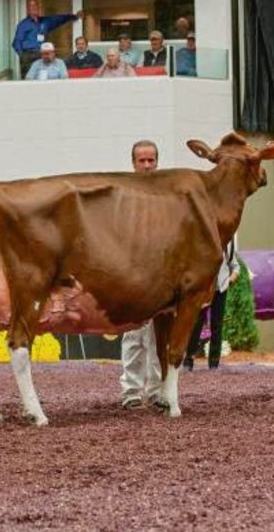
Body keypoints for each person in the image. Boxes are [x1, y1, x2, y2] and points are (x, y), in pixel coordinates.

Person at [120, 140, 162, 409]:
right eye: (142, 160)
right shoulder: (124, 195)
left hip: (160, 275)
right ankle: (132, 392)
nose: (147, 165)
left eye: (151, 160)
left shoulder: (166, 196)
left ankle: (157, 391)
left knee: (159, 335)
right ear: (133, 163)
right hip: (132, 274)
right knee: (133, 335)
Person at [185, 242, 240, 370]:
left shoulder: (228, 244)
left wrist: (229, 281)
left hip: (221, 288)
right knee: (197, 323)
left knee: (217, 325)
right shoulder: (204, 240)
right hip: (204, 288)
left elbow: (235, 267)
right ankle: (189, 359)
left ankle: (214, 363)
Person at [12, 0, 79, 77]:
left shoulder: (45, 22)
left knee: (43, 76)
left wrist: (74, 16)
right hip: (28, 55)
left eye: (35, 5)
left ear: (39, 7)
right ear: (27, 9)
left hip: (42, 54)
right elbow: (16, 42)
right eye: (31, 5)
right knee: (29, 79)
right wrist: (23, 56)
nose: (34, 7)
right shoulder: (23, 24)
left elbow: (59, 19)